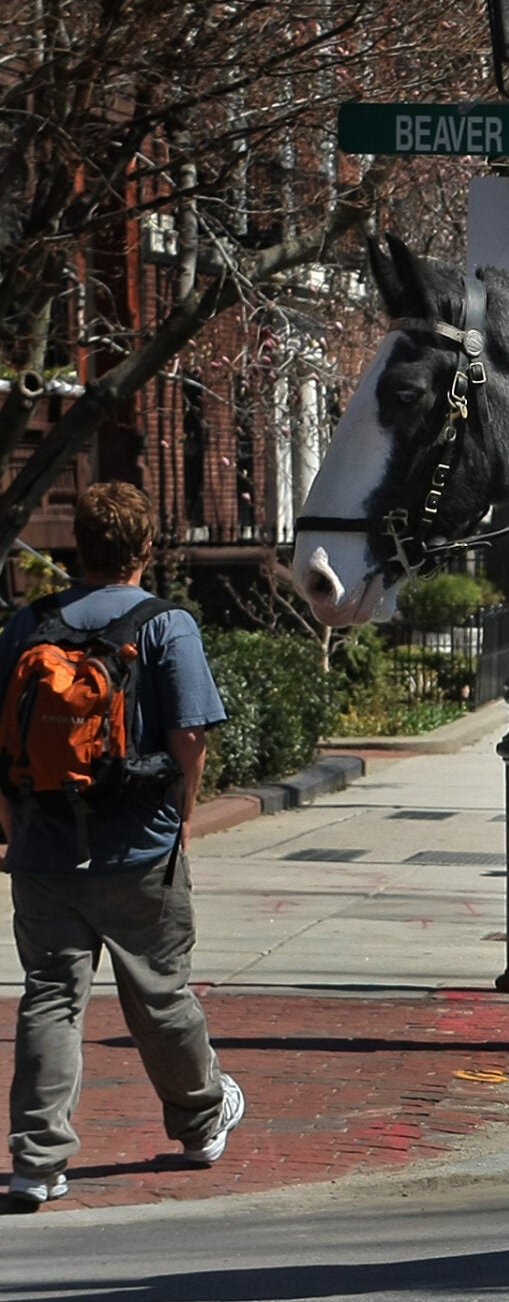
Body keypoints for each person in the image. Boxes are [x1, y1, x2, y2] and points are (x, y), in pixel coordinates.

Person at [2, 482, 241, 1210]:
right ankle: (200, 1122)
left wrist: (11, 821)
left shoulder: (27, 624)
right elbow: (189, 734)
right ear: (145, 546)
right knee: (159, 992)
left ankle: (37, 1160)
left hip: (43, 849)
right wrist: (183, 817)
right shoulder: (166, 624)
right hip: (139, 849)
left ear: (80, 544)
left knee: (49, 998)